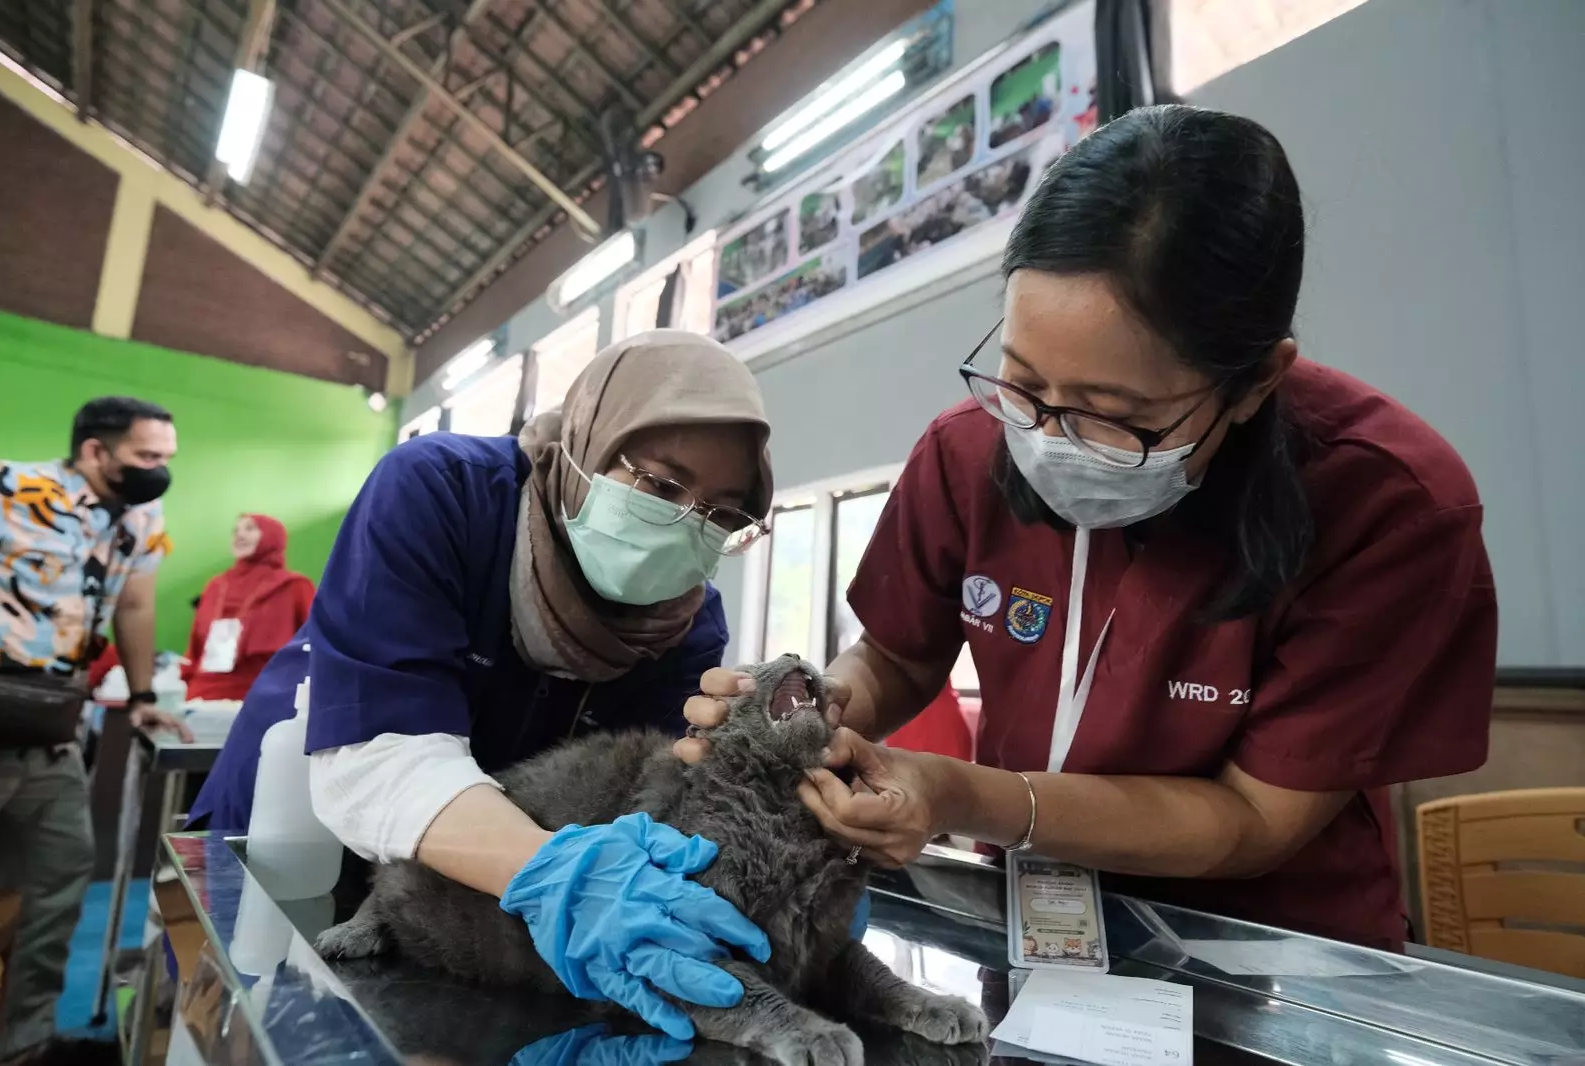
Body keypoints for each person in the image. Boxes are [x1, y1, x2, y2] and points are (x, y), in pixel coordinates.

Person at [681, 105, 1497, 951]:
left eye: (1114, 415)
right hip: (1034, 922)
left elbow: (1257, 815)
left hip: (1268, 949)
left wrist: (957, 793)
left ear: (1256, 382)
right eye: (1023, 382)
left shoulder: (1389, 504)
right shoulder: (967, 451)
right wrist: (814, 715)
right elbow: (894, 654)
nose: (1047, 435)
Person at [191, 332, 776, 1040]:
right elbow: (378, 756)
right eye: (660, 485)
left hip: (470, 896)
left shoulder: (688, 622)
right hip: (295, 851)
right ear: (590, 442)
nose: (687, 526)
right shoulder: (442, 492)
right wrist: (562, 874)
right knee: (252, 1029)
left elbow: (641, 793)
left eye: (722, 513)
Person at [0, 397, 190, 1063]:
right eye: (147, 457)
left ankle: (22, 1046)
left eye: (167, 458)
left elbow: (134, 602)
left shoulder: (142, 515)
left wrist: (141, 694)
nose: (161, 470)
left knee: (60, 884)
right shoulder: (6, 487)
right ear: (96, 451)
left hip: (51, 732)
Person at [181, 515, 314, 701]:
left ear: (273, 536)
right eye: (236, 531)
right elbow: (195, 649)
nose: (240, 535)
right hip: (205, 692)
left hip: (268, 694)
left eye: (250, 529)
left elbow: (314, 643)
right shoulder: (216, 586)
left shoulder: (295, 586)